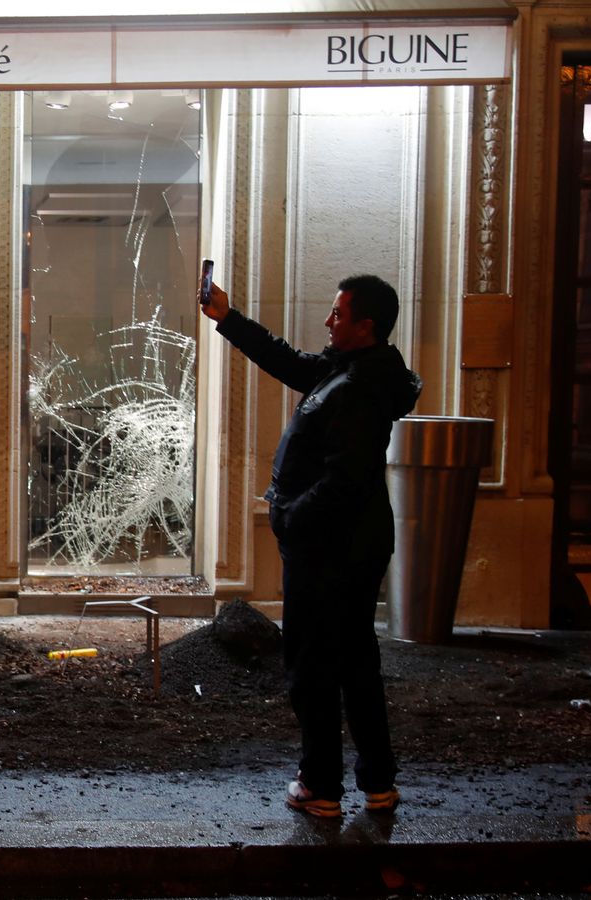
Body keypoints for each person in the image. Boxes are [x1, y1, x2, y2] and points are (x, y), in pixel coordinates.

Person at [200, 274, 422, 818]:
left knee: (313, 665)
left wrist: (290, 517)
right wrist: (228, 318)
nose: (329, 322)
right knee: (355, 661)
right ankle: (378, 783)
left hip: (329, 550)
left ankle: (320, 785)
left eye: (338, 315)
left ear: (366, 326)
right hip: (346, 544)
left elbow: (343, 481)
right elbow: (289, 361)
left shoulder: (361, 391)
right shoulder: (348, 370)